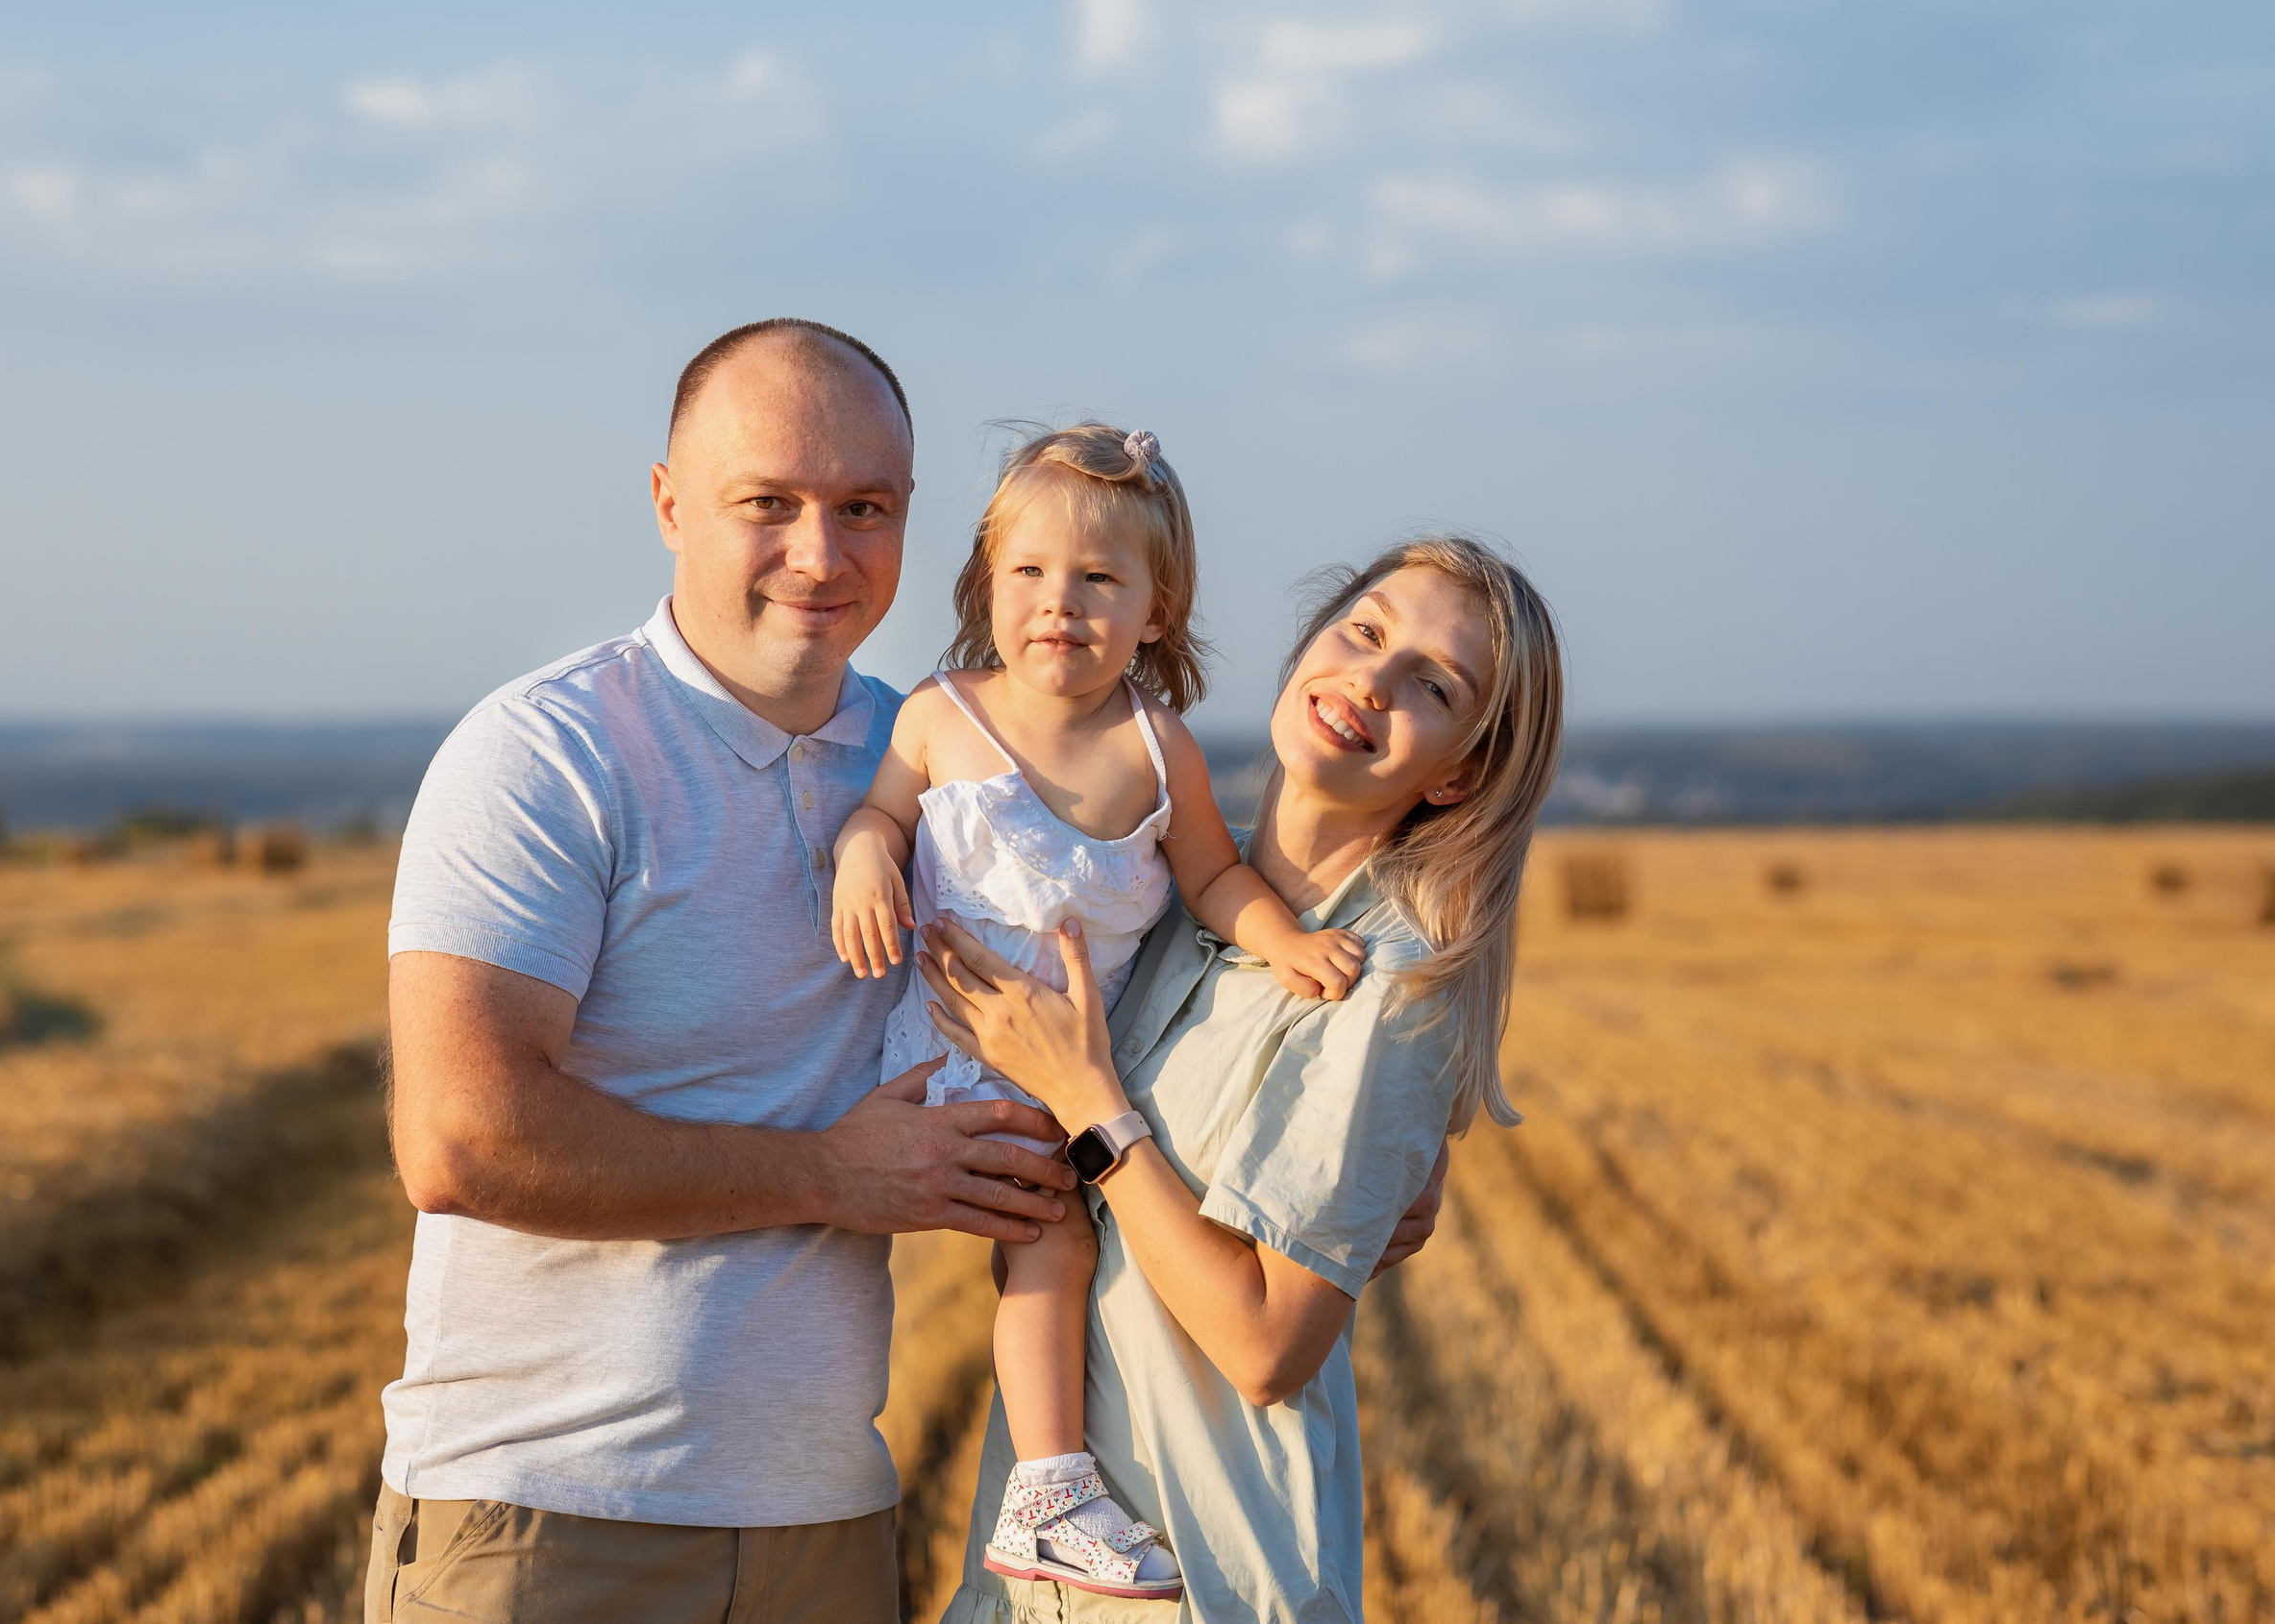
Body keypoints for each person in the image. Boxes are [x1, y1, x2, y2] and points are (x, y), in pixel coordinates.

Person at [365, 319, 1449, 1624]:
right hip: (552, 1519)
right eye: (767, 502)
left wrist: (1368, 1148)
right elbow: (460, 1143)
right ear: (667, 502)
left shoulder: (955, 746)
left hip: (826, 1524)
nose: (821, 553)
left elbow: (1147, 959)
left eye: (864, 508)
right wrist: (830, 1172)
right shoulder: (549, 752)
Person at [918, 536, 1566, 1622]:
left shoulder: (1393, 986)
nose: (1371, 680)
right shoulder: (1161, 888)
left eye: (1433, 686)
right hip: (1034, 1588)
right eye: (1364, 631)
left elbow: (1266, 1348)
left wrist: (1088, 1104)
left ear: (1457, 772)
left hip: (1204, 1585)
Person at [828, 424, 1367, 1602]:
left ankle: (1048, 1487)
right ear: (986, 585)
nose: (1058, 603)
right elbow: (880, 817)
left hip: (1079, 1071)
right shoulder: (939, 715)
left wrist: (1282, 941)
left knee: (1058, 1244)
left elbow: (1216, 880)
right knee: (1040, 1241)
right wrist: (864, 858)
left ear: (1154, 611)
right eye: (1027, 571)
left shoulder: (1157, 750)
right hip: (956, 1058)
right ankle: (1047, 1492)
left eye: (1098, 579)